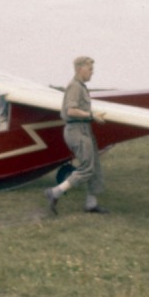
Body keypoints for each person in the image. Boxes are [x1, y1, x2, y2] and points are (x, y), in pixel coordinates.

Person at [44, 56, 108, 215]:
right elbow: (70, 111)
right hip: (76, 131)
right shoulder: (75, 87)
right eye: (90, 69)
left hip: (84, 129)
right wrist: (91, 115)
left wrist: (90, 117)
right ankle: (55, 192)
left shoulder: (81, 86)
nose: (92, 72)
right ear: (81, 69)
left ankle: (91, 204)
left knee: (94, 167)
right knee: (87, 168)